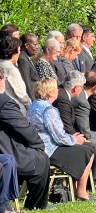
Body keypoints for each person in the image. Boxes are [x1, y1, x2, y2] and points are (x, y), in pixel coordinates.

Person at [26, 77, 96, 201]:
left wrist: (72, 138)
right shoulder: (49, 110)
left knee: (84, 147)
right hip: (50, 149)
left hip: (40, 147)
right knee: (87, 150)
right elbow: (58, 137)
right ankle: (81, 192)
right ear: (52, 92)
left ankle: (76, 190)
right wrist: (75, 140)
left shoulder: (34, 105)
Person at [52, 70, 96, 192]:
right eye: (82, 87)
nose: (83, 90)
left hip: (65, 136)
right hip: (61, 141)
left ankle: (84, 186)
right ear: (76, 88)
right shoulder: (64, 99)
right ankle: (86, 186)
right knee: (92, 146)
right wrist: (77, 138)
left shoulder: (63, 93)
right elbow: (67, 126)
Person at [0, 66, 50, 210]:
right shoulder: (4, 102)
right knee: (41, 159)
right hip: (5, 149)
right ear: (2, 80)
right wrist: (40, 145)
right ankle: (36, 204)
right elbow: (23, 127)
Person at [0, 36, 31, 116]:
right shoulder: (11, 69)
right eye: (19, 50)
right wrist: (31, 107)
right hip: (15, 110)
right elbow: (22, 95)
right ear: (13, 52)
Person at [18, 33, 40, 100]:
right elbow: (26, 83)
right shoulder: (23, 59)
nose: (37, 47)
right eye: (35, 45)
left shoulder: (26, 57)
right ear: (27, 45)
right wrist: (32, 101)